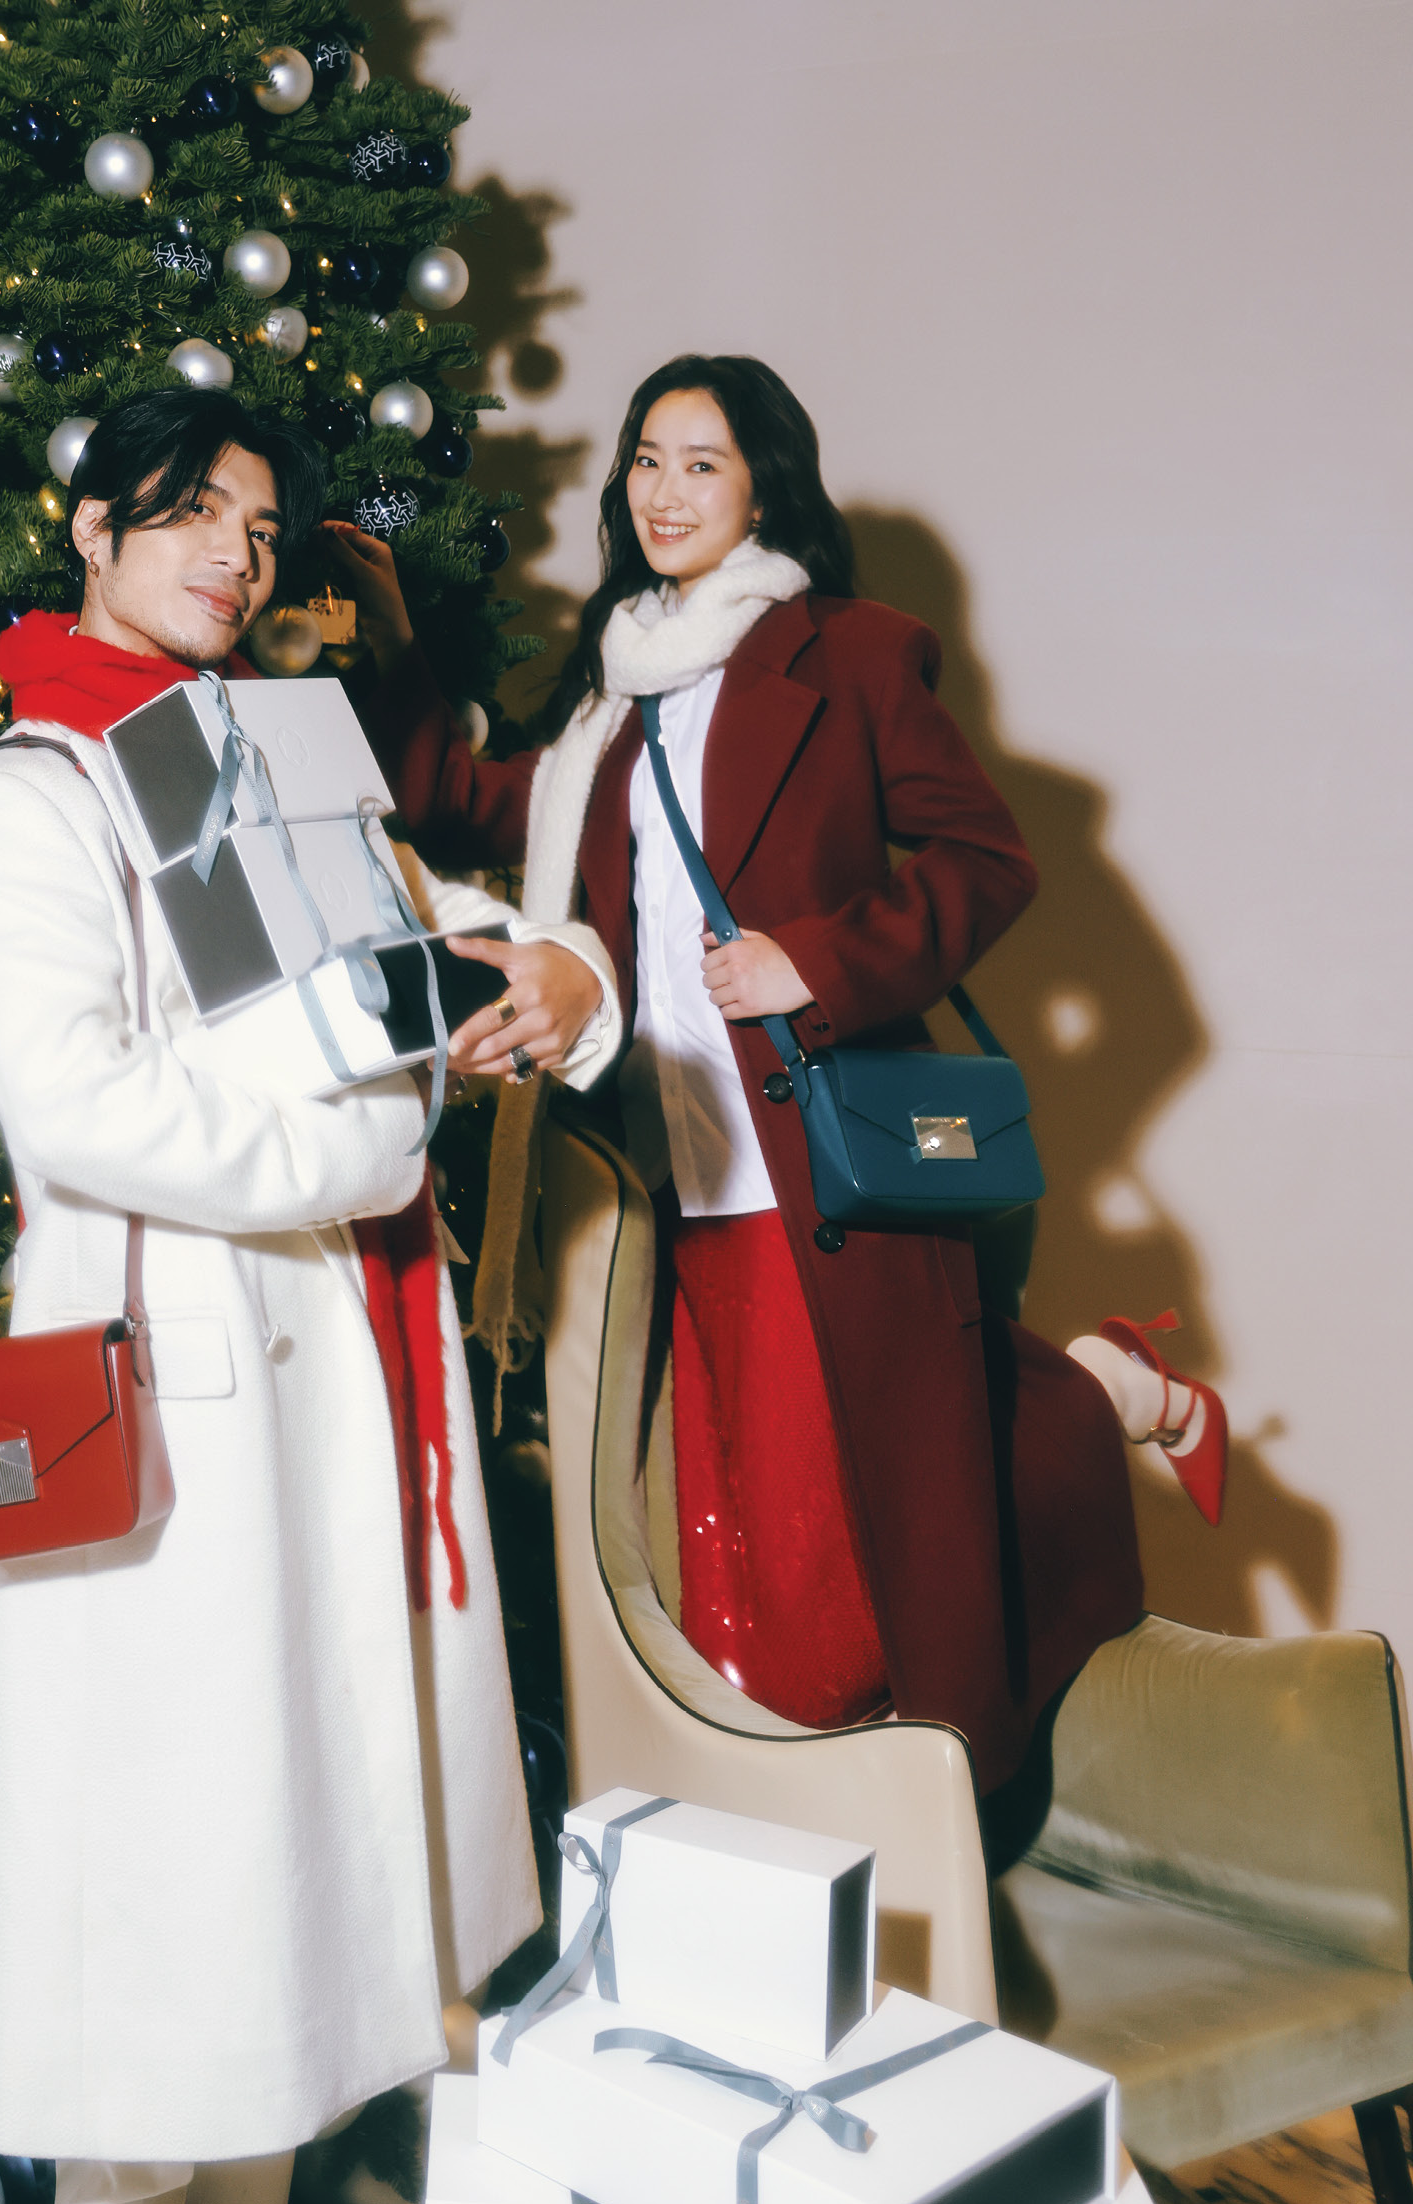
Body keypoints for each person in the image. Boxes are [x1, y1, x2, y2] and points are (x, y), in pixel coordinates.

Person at [0, 387, 617, 2204]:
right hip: (172, 1378)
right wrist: (366, 1139)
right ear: (89, 526)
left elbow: (489, 919)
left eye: (260, 520)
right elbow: (86, 1109)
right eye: (189, 512)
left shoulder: (279, 757)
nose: (235, 549)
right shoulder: (21, 798)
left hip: (337, 1362)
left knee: (298, 1827)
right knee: (161, 1852)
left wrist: (554, 979)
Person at [329, 352, 1228, 1847]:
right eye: (646, 462)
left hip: (834, 1160)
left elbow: (986, 863)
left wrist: (816, 961)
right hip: (674, 1166)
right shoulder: (608, 693)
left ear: (763, 488)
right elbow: (468, 798)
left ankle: (942, 1777)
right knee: (758, 1519)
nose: (666, 493)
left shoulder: (853, 653)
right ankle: (813, 1823)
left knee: (894, 1503)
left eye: (703, 464)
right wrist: (399, 644)